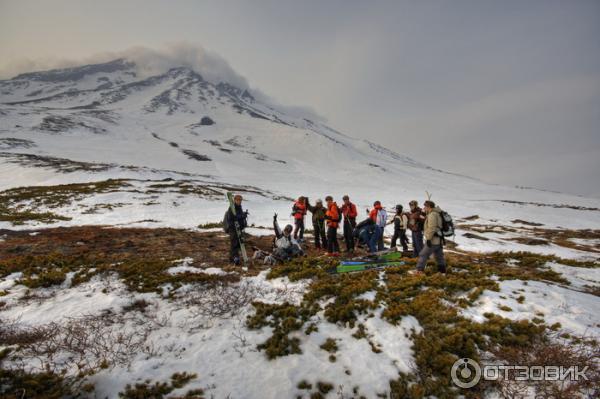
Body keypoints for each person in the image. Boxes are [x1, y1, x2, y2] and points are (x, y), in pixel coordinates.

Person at [413, 200, 446, 275]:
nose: (424, 208)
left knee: (423, 254)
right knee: (439, 256)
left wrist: (428, 239)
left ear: (429, 207)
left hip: (433, 240)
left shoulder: (432, 215)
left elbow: (432, 228)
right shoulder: (437, 213)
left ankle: (419, 270)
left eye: (425, 206)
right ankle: (442, 272)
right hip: (438, 240)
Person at [225, 194, 248, 265]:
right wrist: (242, 216)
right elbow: (232, 217)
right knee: (234, 243)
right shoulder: (231, 208)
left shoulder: (239, 207)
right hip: (233, 229)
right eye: (237, 200)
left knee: (238, 244)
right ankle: (234, 258)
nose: (239, 201)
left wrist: (244, 216)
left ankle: (234, 258)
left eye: (240, 200)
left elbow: (238, 216)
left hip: (238, 229)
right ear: (234, 200)